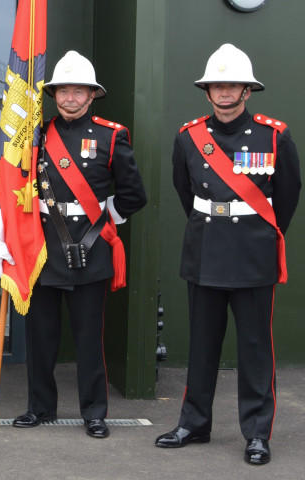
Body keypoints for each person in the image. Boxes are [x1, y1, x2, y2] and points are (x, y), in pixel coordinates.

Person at [155, 44, 301, 466]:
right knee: (202, 346)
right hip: (204, 254)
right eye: (216, 85)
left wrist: (259, 236)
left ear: (247, 91)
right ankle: (194, 423)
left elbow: (287, 197)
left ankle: (257, 434)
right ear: (207, 91)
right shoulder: (188, 136)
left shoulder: (275, 135)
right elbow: (187, 194)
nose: (223, 92)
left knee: (256, 350)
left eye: (231, 85)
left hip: (254, 258)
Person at [0, 51, 146, 438]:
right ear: (54, 95)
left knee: (88, 339)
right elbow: (16, 188)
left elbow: (133, 194)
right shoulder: (35, 135)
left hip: (90, 249)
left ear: (92, 96)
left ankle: (94, 412)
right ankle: (40, 408)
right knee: (40, 338)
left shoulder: (112, 135)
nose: (71, 98)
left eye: (80, 91)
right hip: (42, 248)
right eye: (64, 91)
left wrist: (102, 223)